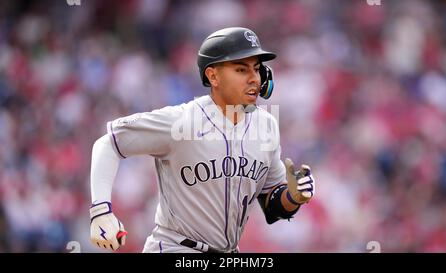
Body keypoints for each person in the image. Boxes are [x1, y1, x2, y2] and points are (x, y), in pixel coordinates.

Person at [89, 27, 316, 253]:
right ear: (213, 76)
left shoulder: (266, 126)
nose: (254, 78)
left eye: (256, 69)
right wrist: (100, 210)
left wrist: (293, 197)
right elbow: (108, 143)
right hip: (175, 248)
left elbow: (272, 205)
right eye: (241, 69)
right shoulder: (181, 121)